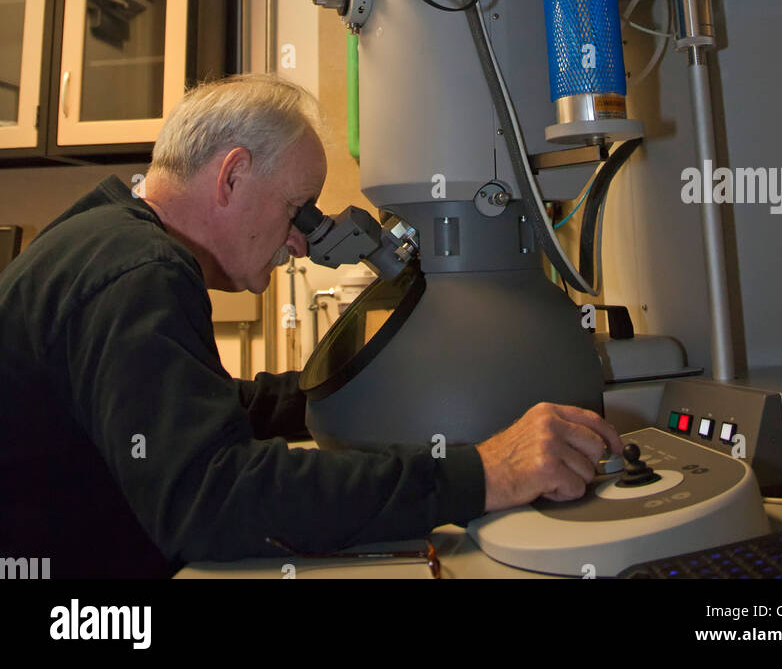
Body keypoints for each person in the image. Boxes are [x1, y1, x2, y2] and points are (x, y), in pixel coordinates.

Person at [0, 74, 623, 578]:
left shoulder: (100, 237)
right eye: (296, 208)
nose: (300, 242)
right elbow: (215, 500)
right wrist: (486, 473)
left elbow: (197, 411)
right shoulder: (140, 269)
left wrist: (343, 392)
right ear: (232, 174)